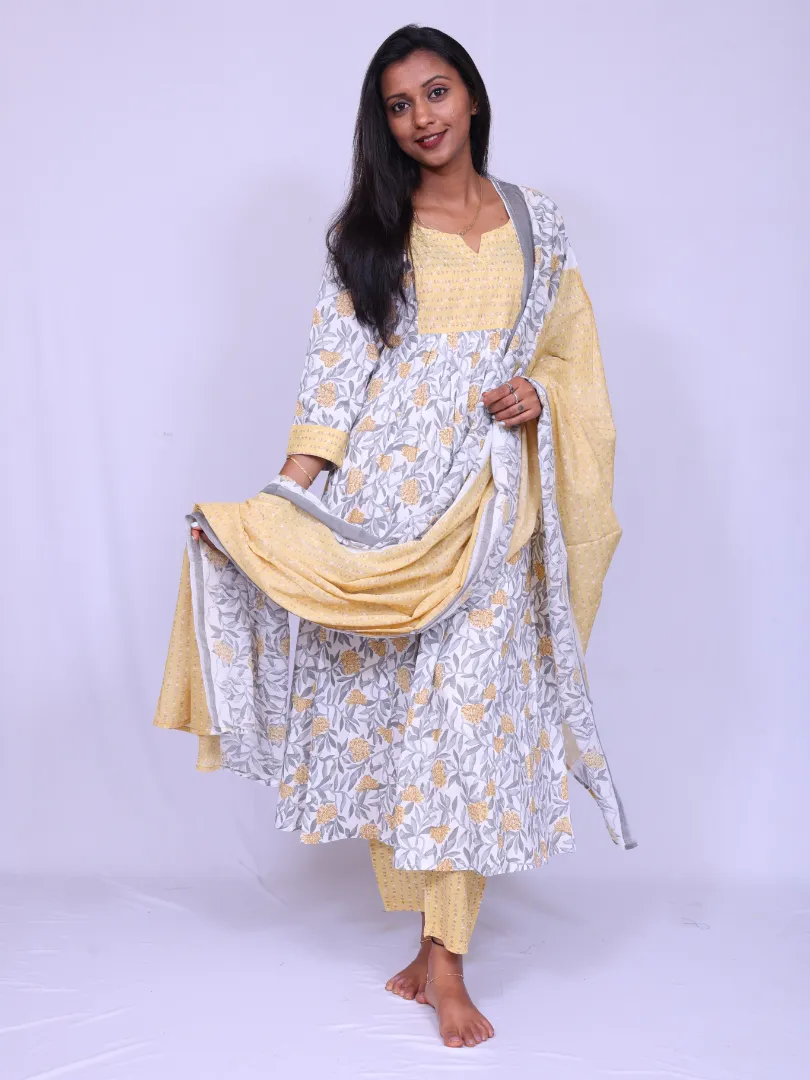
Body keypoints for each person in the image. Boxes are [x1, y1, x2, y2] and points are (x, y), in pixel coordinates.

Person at [155, 24, 635, 1050]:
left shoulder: (539, 225)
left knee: (465, 724)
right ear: (385, 123)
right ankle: (430, 945)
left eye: (437, 91)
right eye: (400, 105)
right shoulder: (371, 236)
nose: (423, 117)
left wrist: (539, 394)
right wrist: (274, 509)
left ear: (473, 95)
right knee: (396, 725)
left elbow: (572, 357)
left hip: (491, 509)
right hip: (385, 510)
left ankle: (446, 961)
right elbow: (334, 387)